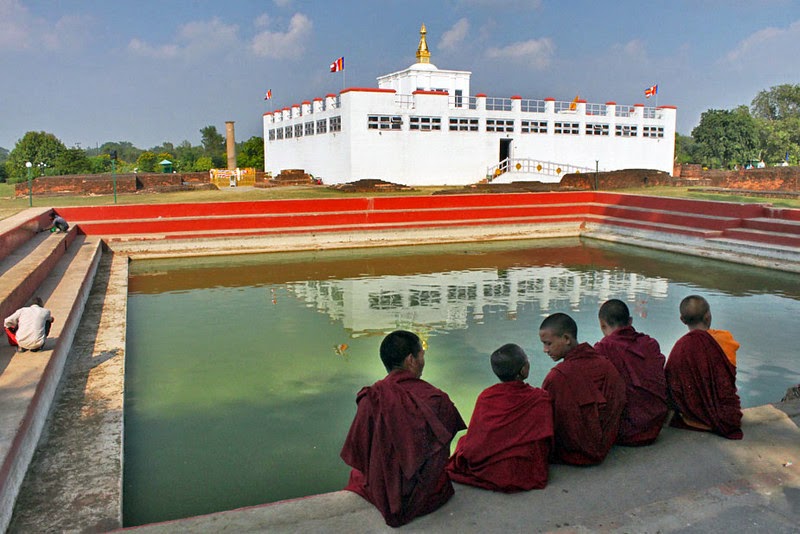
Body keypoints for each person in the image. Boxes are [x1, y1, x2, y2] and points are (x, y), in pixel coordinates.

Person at [340, 330, 466, 527]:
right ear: (411, 360)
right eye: (422, 354)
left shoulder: (372, 397)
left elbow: (359, 452)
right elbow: (442, 449)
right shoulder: (436, 399)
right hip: (427, 494)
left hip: (380, 489)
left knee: (358, 476)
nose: (423, 358)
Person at [447, 343, 553, 492]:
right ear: (524, 369)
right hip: (522, 468)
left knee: (465, 441)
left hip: (486, 467)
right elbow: (546, 435)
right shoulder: (539, 397)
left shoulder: (486, 396)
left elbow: (478, 437)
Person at [539, 313, 626, 465]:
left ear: (566, 339)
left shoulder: (557, 376)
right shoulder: (605, 364)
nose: (545, 350)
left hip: (571, 451)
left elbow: (544, 420)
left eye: (548, 343)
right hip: (605, 445)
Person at [665, 295, 743, 440]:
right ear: (708, 316)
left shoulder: (681, 347)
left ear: (682, 320)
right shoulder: (725, 339)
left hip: (691, 418)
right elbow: (727, 380)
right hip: (725, 416)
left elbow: (670, 382)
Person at [594, 299, 668, 446]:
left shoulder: (602, 349)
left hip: (624, 431)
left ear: (602, 324)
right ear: (630, 321)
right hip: (655, 425)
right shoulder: (650, 343)